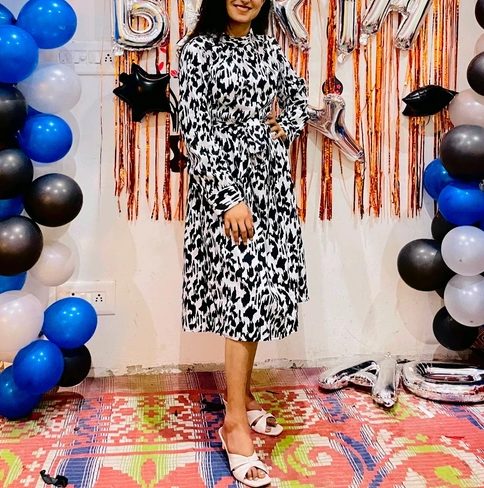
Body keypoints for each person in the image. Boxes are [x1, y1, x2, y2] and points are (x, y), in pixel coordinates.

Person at [178, 0, 309, 484]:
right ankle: (233, 422)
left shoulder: (268, 48)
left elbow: (298, 97)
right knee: (243, 300)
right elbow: (195, 131)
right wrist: (229, 197)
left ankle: (244, 397)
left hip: (270, 185)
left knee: (260, 296)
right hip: (225, 188)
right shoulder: (197, 51)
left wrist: (286, 127)